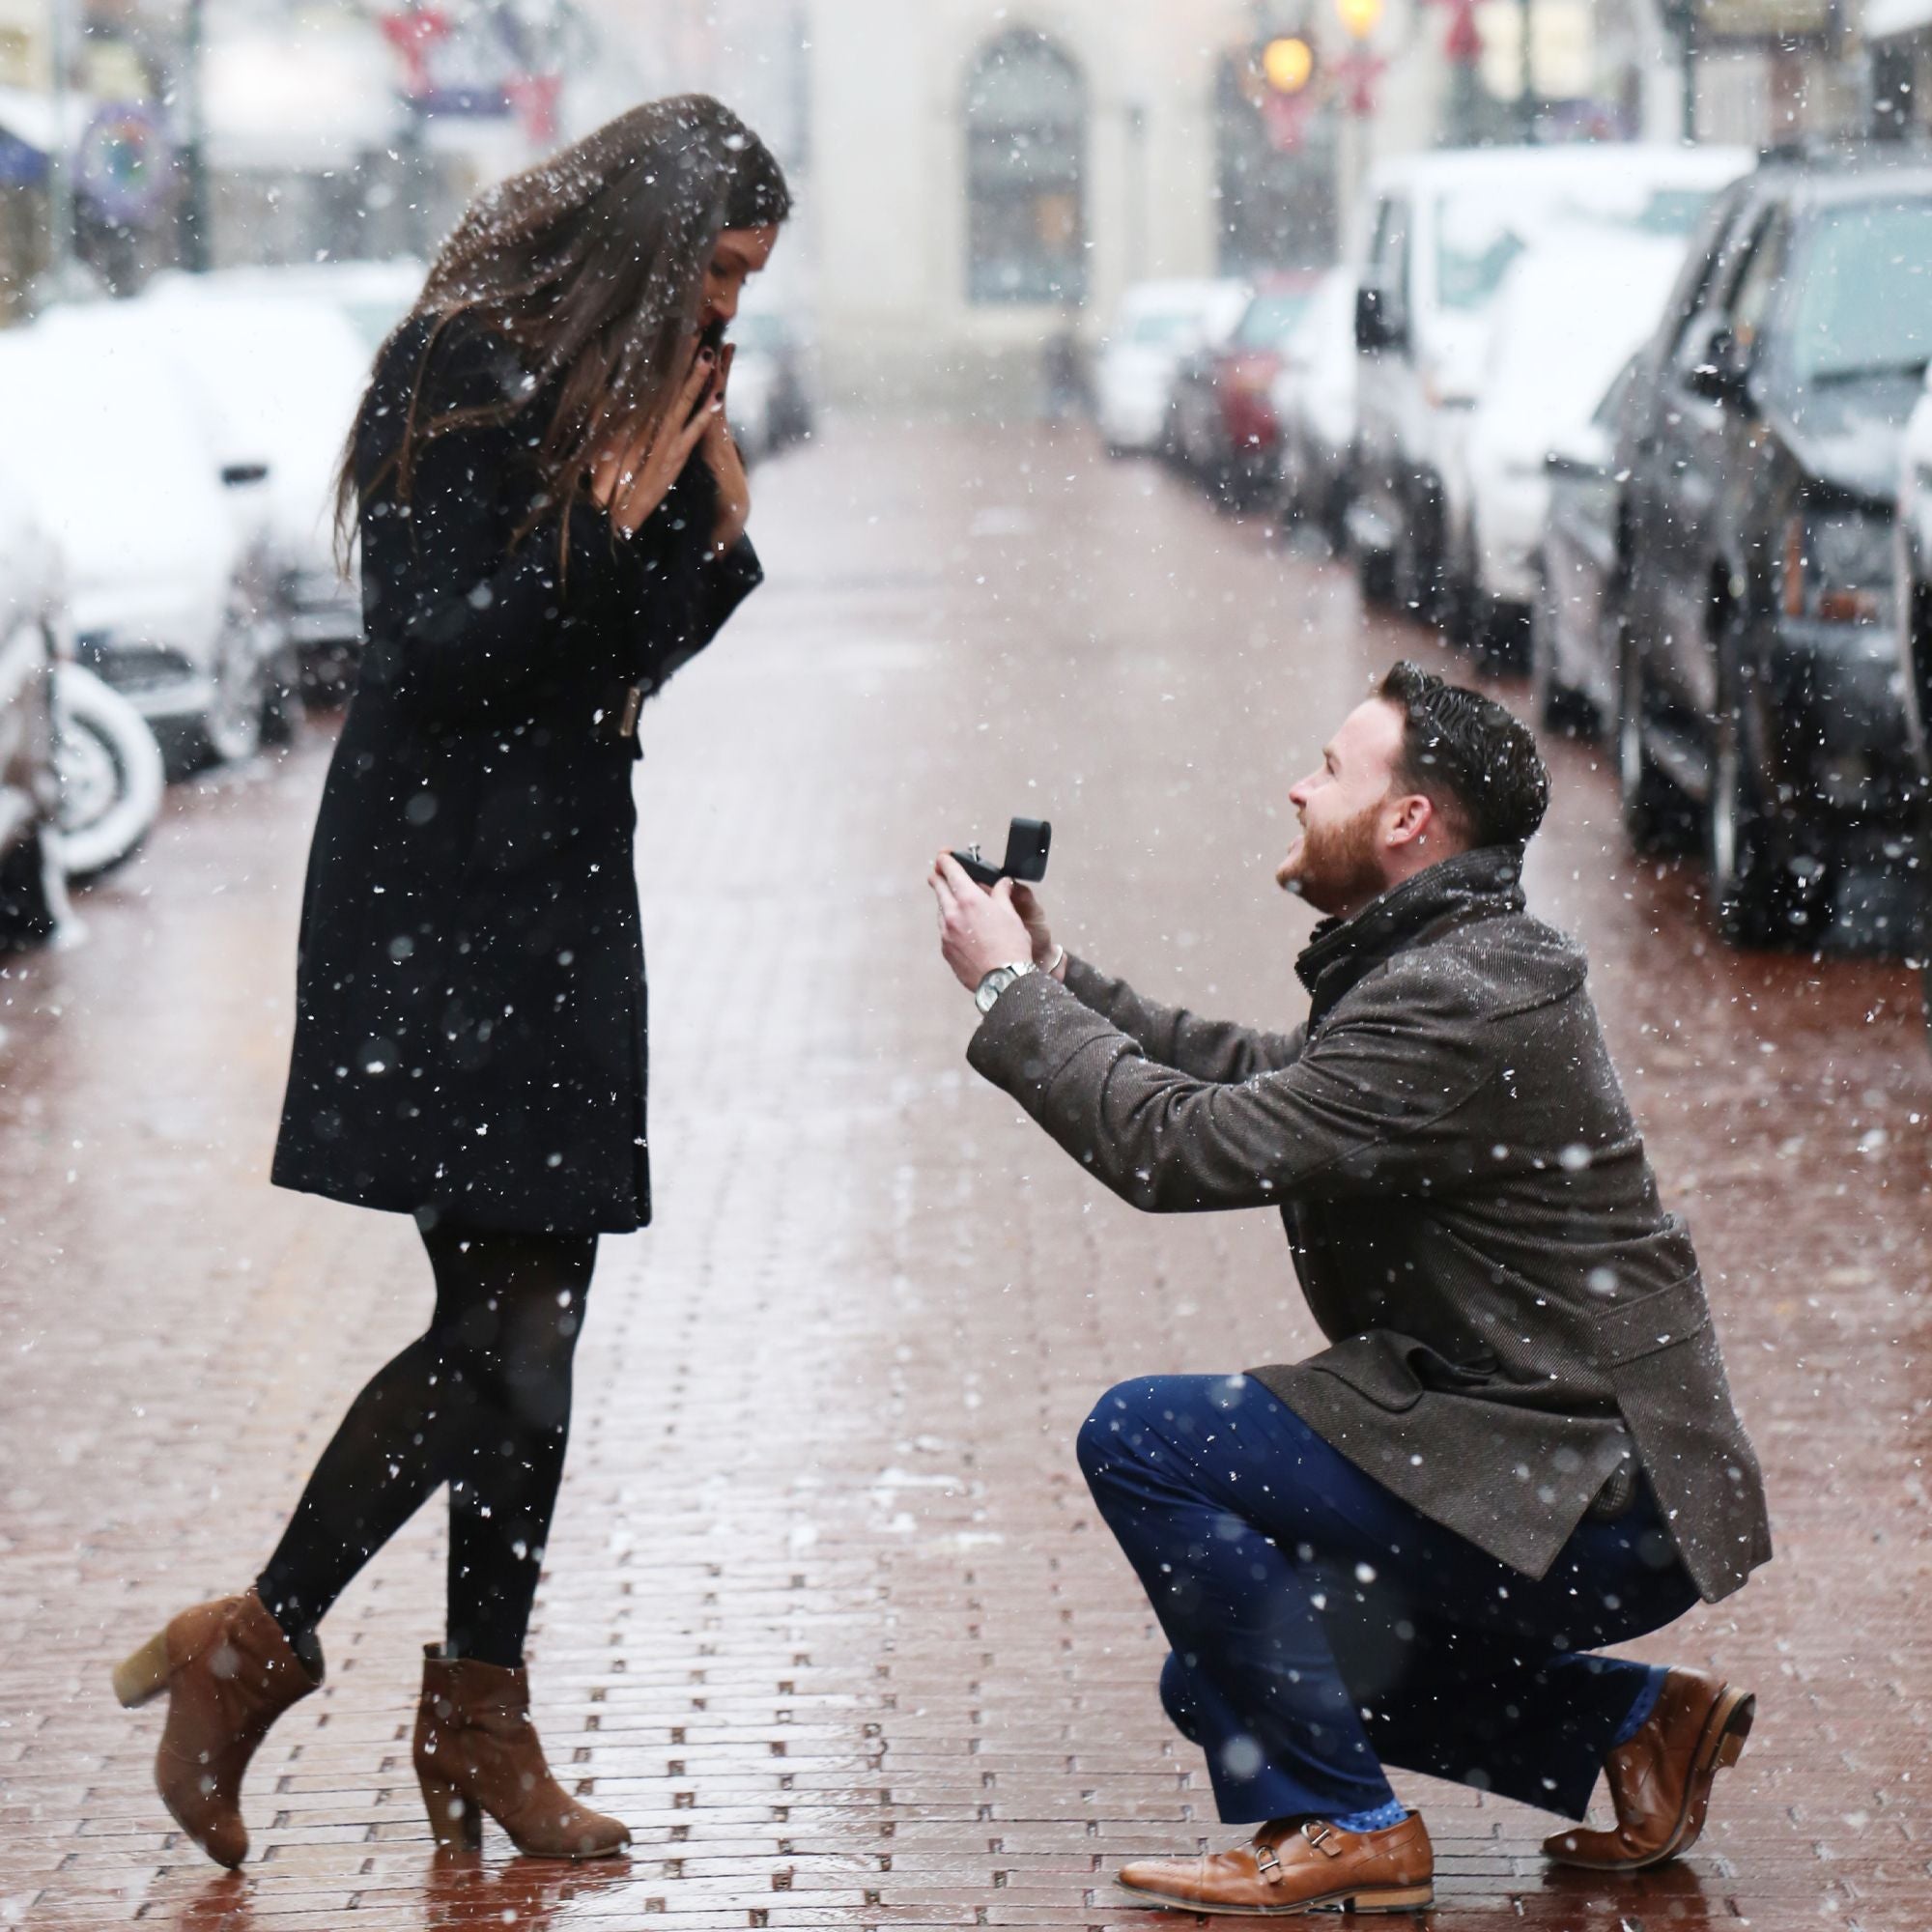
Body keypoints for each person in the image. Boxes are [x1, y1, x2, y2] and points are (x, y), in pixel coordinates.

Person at [109, 97, 789, 1869]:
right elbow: (434, 643)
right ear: (647, 248)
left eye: (749, 291)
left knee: (537, 1325)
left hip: (559, 887)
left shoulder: (629, 383)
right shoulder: (460, 366)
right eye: (715, 275)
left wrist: (699, 532)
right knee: (502, 1335)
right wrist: (614, 507)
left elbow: (614, 661)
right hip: (439, 897)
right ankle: (256, 1644)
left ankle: (472, 1717)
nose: (729, 315)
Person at [926, 663, 1771, 1916]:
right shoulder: (1446, 962)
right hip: (1537, 1453)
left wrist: (1002, 992)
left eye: (1331, 769)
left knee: (1143, 1439)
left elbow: (1180, 1147)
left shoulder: (1465, 993)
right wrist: (1056, 976)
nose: (1297, 785)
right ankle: (1635, 1729)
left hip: (1590, 1489)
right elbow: (1258, 1076)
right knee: (1231, 1678)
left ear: (1407, 821)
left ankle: (1352, 1829)